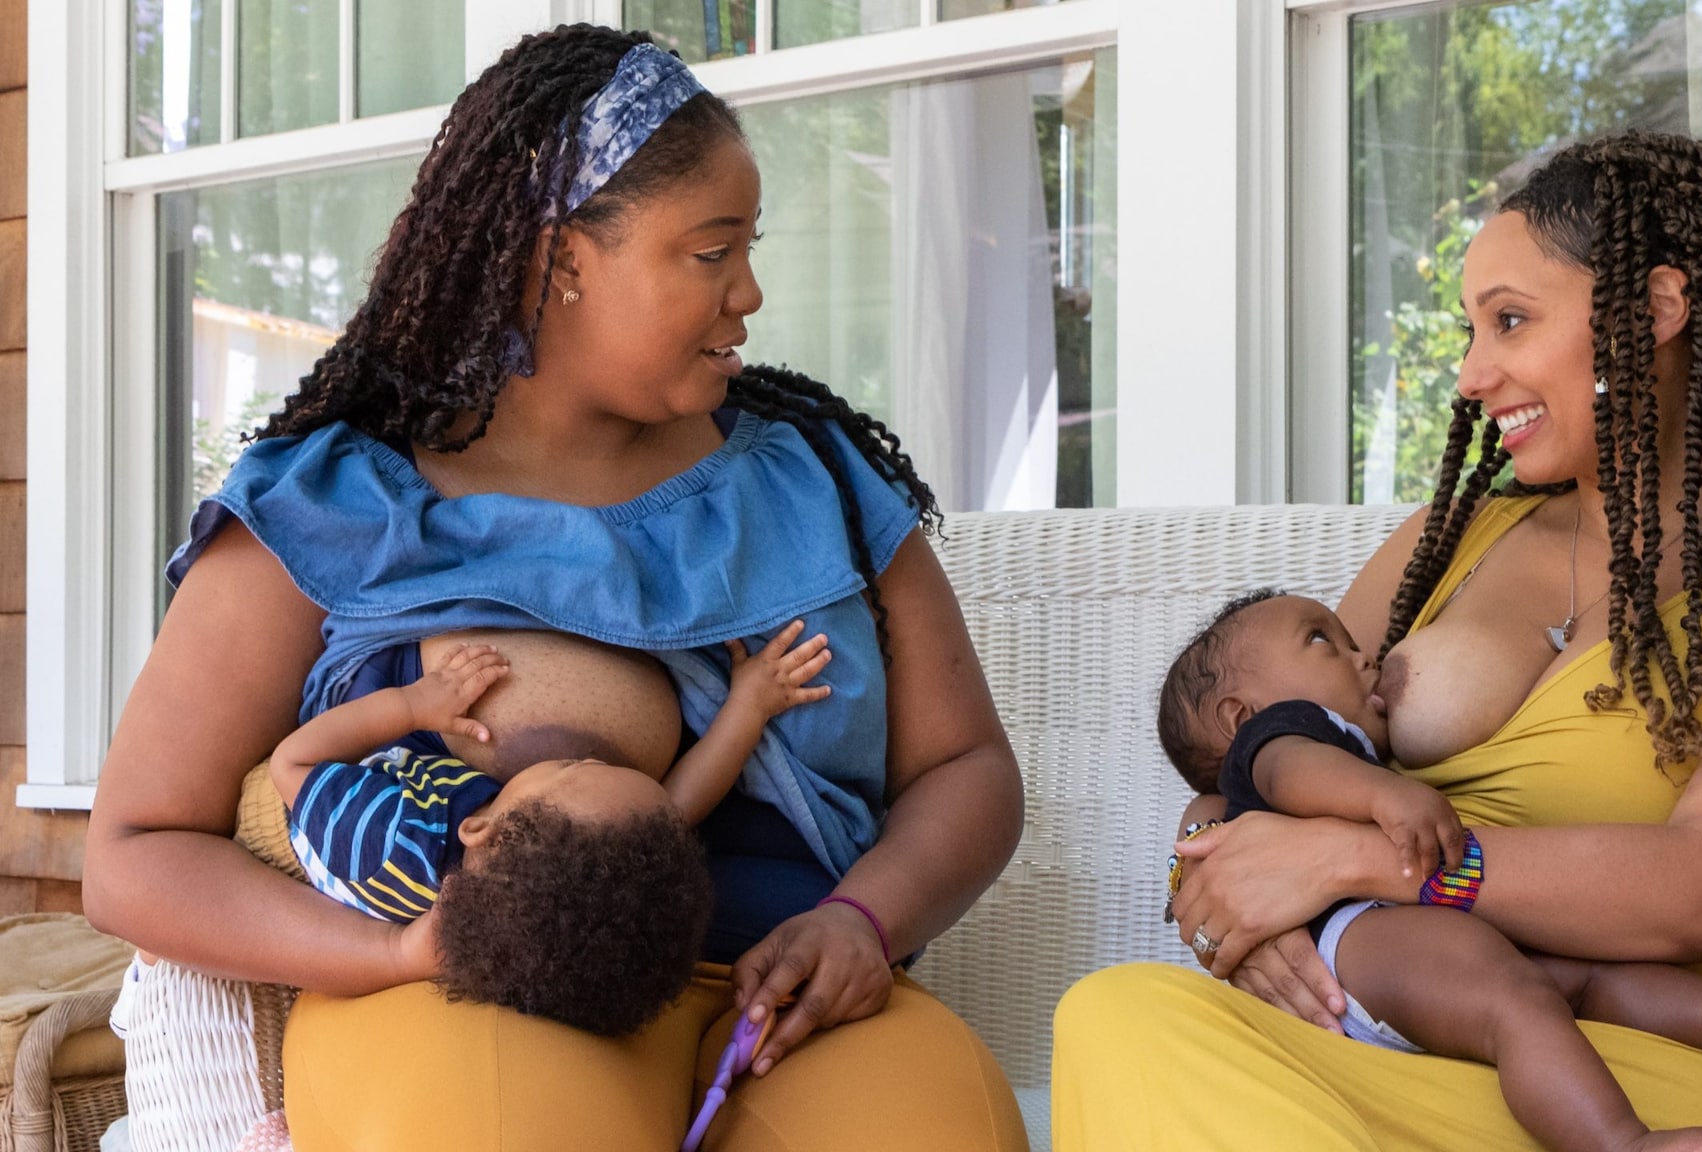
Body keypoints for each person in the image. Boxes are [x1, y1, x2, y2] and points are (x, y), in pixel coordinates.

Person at [84, 24, 1028, 1152]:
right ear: (559, 260)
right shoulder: (340, 499)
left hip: (785, 991)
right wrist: (395, 953)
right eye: (709, 252)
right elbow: (137, 849)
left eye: (748, 248)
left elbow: (966, 769)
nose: (751, 292)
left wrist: (862, 923)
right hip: (473, 994)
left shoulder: (816, 476)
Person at [1054, 129, 1702, 1151]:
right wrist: (1224, 890)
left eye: (1508, 321)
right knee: (1117, 1015)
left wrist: (1348, 863)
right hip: (1425, 1024)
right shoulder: (1451, 539)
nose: (1468, 374)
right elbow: (1252, 749)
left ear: (1653, 312)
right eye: (1470, 330)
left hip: (1682, 1053)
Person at [1155, 588, 1702, 1152]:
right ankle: (1621, 1142)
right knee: (1519, 1001)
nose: (1365, 654)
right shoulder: (1283, 733)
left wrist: (1335, 850)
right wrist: (1224, 884)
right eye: (1322, 641)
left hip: (1406, 938)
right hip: (1362, 937)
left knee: (1574, 985)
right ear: (1238, 715)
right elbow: (1289, 774)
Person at [268, 622, 826, 1036]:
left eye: (570, 769)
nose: (583, 757)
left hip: (341, 791)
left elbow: (290, 766)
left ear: (479, 825)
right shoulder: (542, 877)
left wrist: (412, 706)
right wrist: (750, 706)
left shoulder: (384, 840)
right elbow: (678, 807)